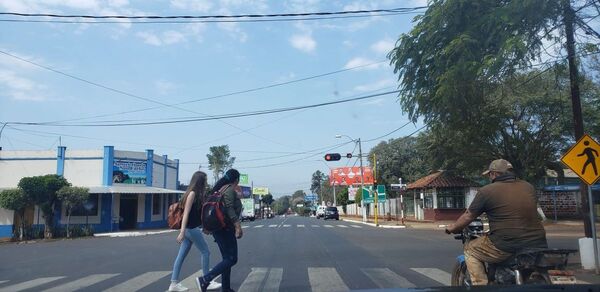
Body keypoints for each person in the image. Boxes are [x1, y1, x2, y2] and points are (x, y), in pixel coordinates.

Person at [445, 159, 547, 286]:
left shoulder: (487, 191)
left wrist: (453, 228)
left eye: (489, 174)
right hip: (538, 243)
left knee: (470, 249)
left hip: (506, 244)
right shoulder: (528, 187)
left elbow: (468, 216)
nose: (489, 177)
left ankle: (480, 287)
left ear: (494, 174)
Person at [168, 171, 221, 292]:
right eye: (205, 181)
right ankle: (206, 281)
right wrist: (181, 232)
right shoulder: (192, 194)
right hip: (190, 229)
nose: (206, 183)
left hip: (190, 229)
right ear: (200, 181)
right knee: (206, 252)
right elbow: (186, 214)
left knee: (181, 256)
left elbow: (197, 215)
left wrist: (204, 227)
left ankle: (173, 284)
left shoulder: (197, 194)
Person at [197, 169, 243, 292]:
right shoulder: (228, 190)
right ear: (236, 180)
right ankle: (205, 279)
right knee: (232, 259)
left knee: (226, 259)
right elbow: (229, 209)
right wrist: (237, 226)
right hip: (226, 228)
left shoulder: (218, 189)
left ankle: (226, 288)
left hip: (218, 229)